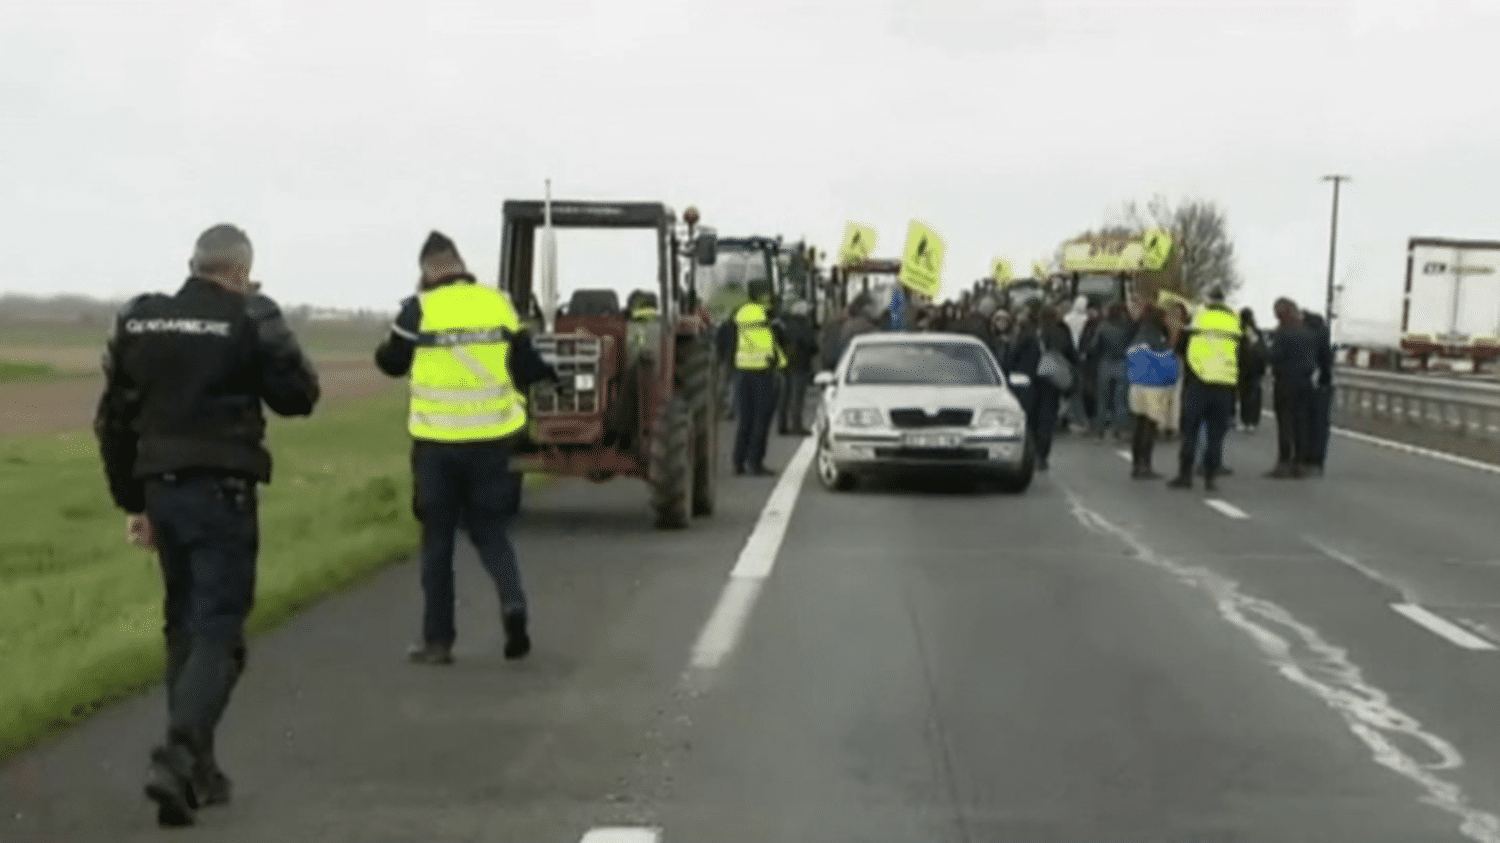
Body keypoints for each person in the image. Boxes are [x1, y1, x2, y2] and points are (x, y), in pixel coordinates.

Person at [94, 224, 320, 826]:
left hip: (161, 490)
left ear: (192, 263)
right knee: (219, 629)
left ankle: (198, 773)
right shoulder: (248, 318)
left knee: (183, 623)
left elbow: (113, 419)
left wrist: (132, 502)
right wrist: (268, 320)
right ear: (243, 269)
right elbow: (300, 396)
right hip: (222, 493)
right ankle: (177, 756)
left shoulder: (139, 320)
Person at [375, 232, 563, 666]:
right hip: (494, 442)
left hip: (437, 445)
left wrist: (385, 352)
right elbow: (525, 363)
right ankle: (513, 606)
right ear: (460, 264)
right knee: (491, 532)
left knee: (437, 542)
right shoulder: (497, 303)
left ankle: (438, 643)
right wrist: (552, 379)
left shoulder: (418, 308)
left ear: (426, 270)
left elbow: (393, 363)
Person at [1168, 289, 1242, 492]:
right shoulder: (1234, 322)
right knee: (1216, 435)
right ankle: (1210, 478)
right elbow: (1244, 355)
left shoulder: (1198, 318)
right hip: (1225, 385)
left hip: (1197, 383)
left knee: (1190, 432)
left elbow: (1181, 348)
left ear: (1207, 301)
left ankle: (1185, 475)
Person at [728, 279, 787, 475]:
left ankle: (739, 460)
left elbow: (728, 341)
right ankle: (755, 463)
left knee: (745, 419)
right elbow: (771, 342)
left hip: (742, 371)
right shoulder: (765, 314)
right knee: (761, 420)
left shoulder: (739, 312)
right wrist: (781, 363)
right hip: (763, 372)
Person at [1125, 304, 1177, 479]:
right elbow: (1169, 364)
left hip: (1136, 385)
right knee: (1149, 427)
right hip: (1154, 387)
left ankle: (1136, 465)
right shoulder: (1158, 338)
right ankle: (1145, 466)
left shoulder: (1137, 334)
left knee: (1138, 426)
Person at [1266, 297, 1317, 478]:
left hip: (1285, 382)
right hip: (1305, 383)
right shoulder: (1309, 333)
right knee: (1301, 423)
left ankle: (1284, 462)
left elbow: (1274, 356)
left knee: (1285, 423)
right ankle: (1300, 463)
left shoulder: (1283, 333)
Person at [775, 300, 818, 435]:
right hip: (800, 364)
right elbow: (811, 345)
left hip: (786, 363)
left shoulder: (786, 324)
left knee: (785, 395)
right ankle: (796, 425)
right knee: (797, 396)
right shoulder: (804, 325)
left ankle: (782, 425)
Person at [1304, 311, 1335, 475]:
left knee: (1304, 423)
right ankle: (1317, 462)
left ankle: (1305, 459)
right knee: (1320, 424)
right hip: (1322, 385)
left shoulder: (1305, 335)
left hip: (1304, 384)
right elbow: (1327, 362)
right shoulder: (1323, 334)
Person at [1238, 307, 1268, 431]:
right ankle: (1252, 422)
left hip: (1243, 367)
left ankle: (1245, 420)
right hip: (1256, 368)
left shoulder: (1241, 330)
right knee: (1254, 395)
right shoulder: (1257, 331)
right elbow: (1262, 351)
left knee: (1244, 395)